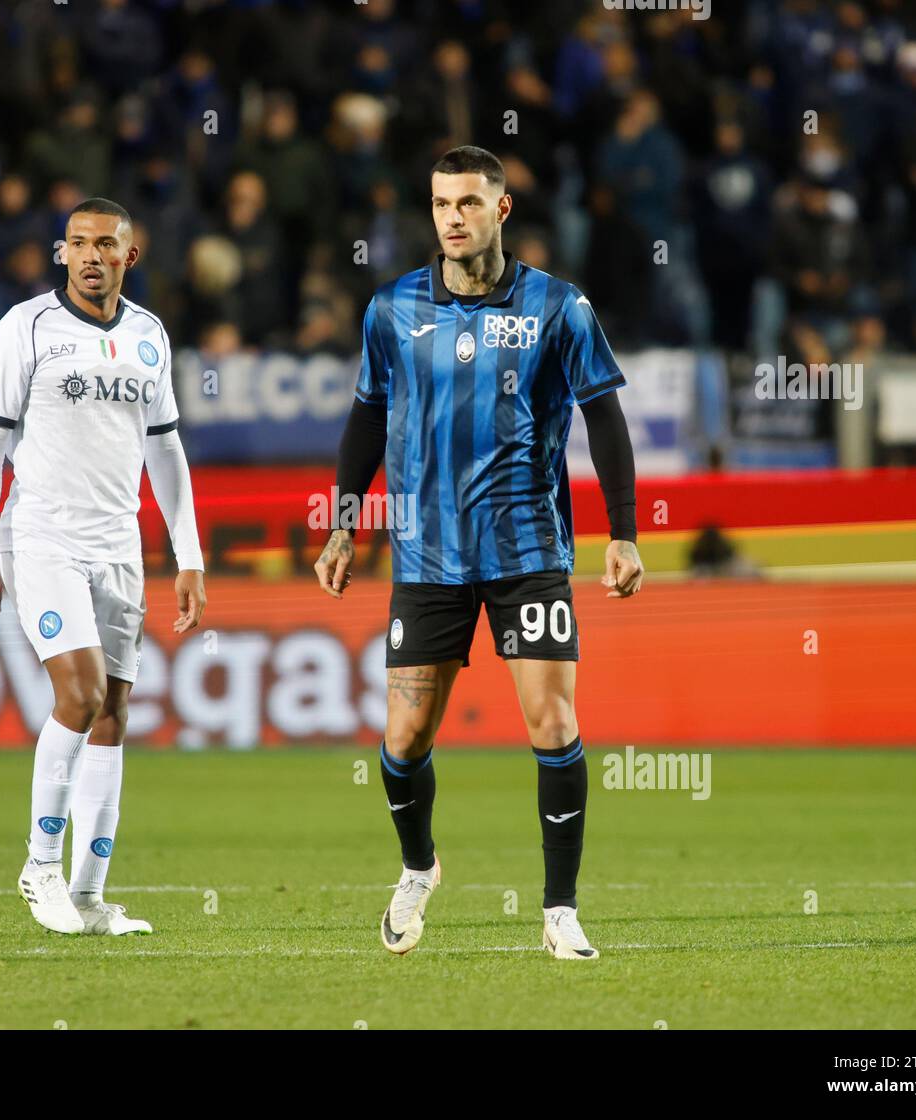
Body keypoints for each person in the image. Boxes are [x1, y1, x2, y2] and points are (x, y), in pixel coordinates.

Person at [315, 146, 643, 960]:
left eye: (467, 202)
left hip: (527, 547)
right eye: (439, 204)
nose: (452, 217)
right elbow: (364, 418)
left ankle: (560, 909)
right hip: (426, 555)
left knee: (553, 718)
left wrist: (625, 533)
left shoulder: (558, 308)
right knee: (404, 740)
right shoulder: (391, 310)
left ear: (501, 210)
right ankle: (420, 867)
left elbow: (604, 415)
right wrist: (343, 524)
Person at [0, 198, 206, 935]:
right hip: (40, 537)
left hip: (119, 544)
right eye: (77, 243)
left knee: (115, 713)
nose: (90, 255)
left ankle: (91, 894)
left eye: (105, 243)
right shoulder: (25, 327)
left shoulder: (150, 336)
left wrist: (187, 554)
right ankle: (40, 868)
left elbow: (165, 448)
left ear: (131, 256)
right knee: (81, 692)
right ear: (61, 253)